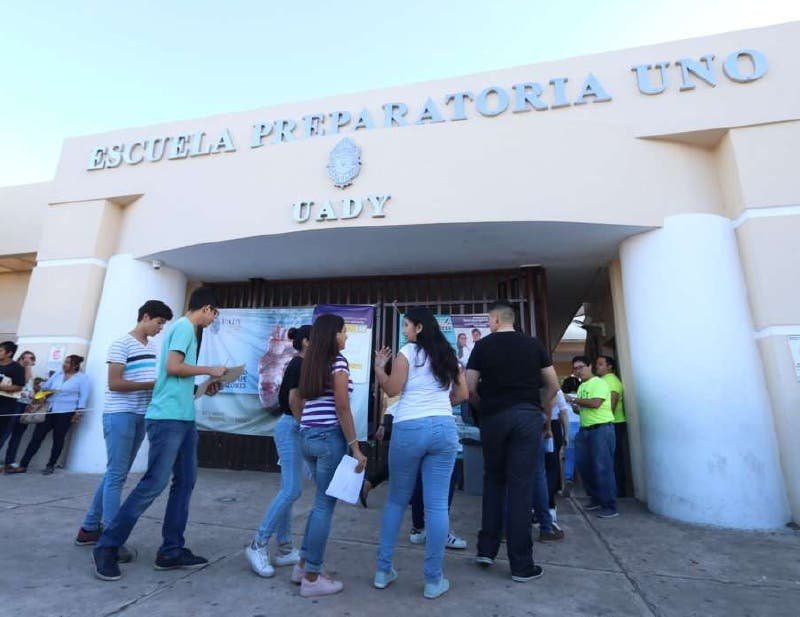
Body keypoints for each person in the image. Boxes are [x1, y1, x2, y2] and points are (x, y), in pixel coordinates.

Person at [92, 287, 227, 582]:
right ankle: (107, 546)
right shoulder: (184, 327)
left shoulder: (187, 330)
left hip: (183, 417)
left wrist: (205, 386)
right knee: (154, 483)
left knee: (185, 482)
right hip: (167, 419)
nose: (213, 320)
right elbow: (173, 367)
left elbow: (174, 379)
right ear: (207, 309)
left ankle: (171, 551)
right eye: (214, 314)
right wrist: (210, 369)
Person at [373, 307, 467, 599]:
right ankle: (433, 580)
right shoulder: (449, 356)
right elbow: (463, 394)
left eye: (407, 326)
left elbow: (392, 389)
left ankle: (383, 571)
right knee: (437, 506)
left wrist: (380, 367)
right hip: (444, 428)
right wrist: (440, 405)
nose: (404, 331)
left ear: (420, 328)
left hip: (410, 427)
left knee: (396, 501)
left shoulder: (407, 353)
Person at [466, 301, 559, 583]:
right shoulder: (533, 345)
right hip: (527, 418)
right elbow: (553, 384)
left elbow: (469, 387)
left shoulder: (482, 347)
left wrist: (485, 409)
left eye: (488, 320)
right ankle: (521, 565)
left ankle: (486, 550)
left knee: (493, 481)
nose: (488, 324)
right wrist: (536, 407)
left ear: (495, 320)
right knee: (521, 487)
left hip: (494, 418)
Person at [75, 300, 174, 548]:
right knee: (117, 475)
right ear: (146, 317)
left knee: (115, 474)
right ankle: (111, 537)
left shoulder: (153, 348)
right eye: (159, 322)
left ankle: (89, 528)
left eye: (163, 325)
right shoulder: (121, 344)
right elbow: (115, 383)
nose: (160, 328)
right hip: (120, 414)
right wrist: (150, 384)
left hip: (141, 415)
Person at [292, 313, 367, 598]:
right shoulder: (338, 362)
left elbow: (297, 399)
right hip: (328, 438)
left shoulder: (312, 363)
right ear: (332, 335)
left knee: (319, 504)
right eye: (344, 331)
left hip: (307, 436)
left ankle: (302, 565)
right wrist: (355, 446)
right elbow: (342, 407)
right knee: (324, 505)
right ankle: (312, 577)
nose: (346, 336)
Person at [246, 324, 311, 578]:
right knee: (292, 490)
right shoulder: (299, 364)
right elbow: (293, 400)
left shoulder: (303, 363)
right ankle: (258, 543)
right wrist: (305, 426)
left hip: (293, 428)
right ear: (306, 342)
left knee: (289, 489)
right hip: (291, 428)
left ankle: (284, 548)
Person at [10, 354, 89, 475]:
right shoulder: (58, 374)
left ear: (75, 365)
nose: (65, 364)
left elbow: (83, 396)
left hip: (66, 412)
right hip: (49, 409)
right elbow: (46, 387)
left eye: (68, 362)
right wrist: (43, 391)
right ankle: (23, 465)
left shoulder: (82, 378)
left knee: (58, 439)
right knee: (37, 437)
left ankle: (50, 465)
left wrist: (78, 413)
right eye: (65, 362)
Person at [568, 356, 618, 519]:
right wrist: (575, 406)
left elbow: (596, 403)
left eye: (581, 367)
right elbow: (581, 409)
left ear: (590, 366)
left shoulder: (599, 383)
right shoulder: (582, 386)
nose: (578, 371)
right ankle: (596, 499)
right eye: (575, 368)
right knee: (584, 466)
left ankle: (609, 506)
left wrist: (574, 399)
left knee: (603, 468)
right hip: (585, 430)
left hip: (601, 429)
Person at [596, 355, 627, 497]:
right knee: (609, 458)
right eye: (597, 364)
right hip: (609, 423)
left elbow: (612, 401)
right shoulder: (602, 380)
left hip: (613, 423)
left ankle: (618, 491)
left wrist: (606, 421)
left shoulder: (612, 381)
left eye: (600, 364)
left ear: (609, 366)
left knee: (614, 458)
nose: (597, 366)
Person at [1, 350, 36, 472]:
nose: (27, 360)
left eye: (30, 358)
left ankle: (9, 461)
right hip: (14, 404)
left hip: (25, 406)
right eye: (24, 358)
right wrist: (27, 367)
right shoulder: (16, 370)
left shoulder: (30, 372)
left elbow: (29, 389)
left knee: (17, 435)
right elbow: (23, 382)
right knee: (4, 433)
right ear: (19, 359)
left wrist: (32, 402)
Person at [0, 342, 26, 464]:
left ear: (9, 353)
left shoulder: (16, 368)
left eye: (1, 350)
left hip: (6, 407)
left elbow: (19, 386)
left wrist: (2, 387)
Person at [560, 376, 582, 495]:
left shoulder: (562, 397)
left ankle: (568, 478)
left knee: (569, 455)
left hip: (568, 427)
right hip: (582, 425)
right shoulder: (581, 396)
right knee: (585, 455)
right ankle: (584, 480)